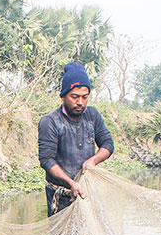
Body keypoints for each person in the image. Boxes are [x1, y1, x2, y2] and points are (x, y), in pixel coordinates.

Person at [38, 62, 115, 216]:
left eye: (85, 97)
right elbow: (47, 160)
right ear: (63, 96)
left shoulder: (92, 116)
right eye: (75, 96)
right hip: (61, 196)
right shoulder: (50, 122)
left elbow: (107, 143)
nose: (80, 102)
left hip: (87, 192)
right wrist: (72, 183)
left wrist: (93, 160)